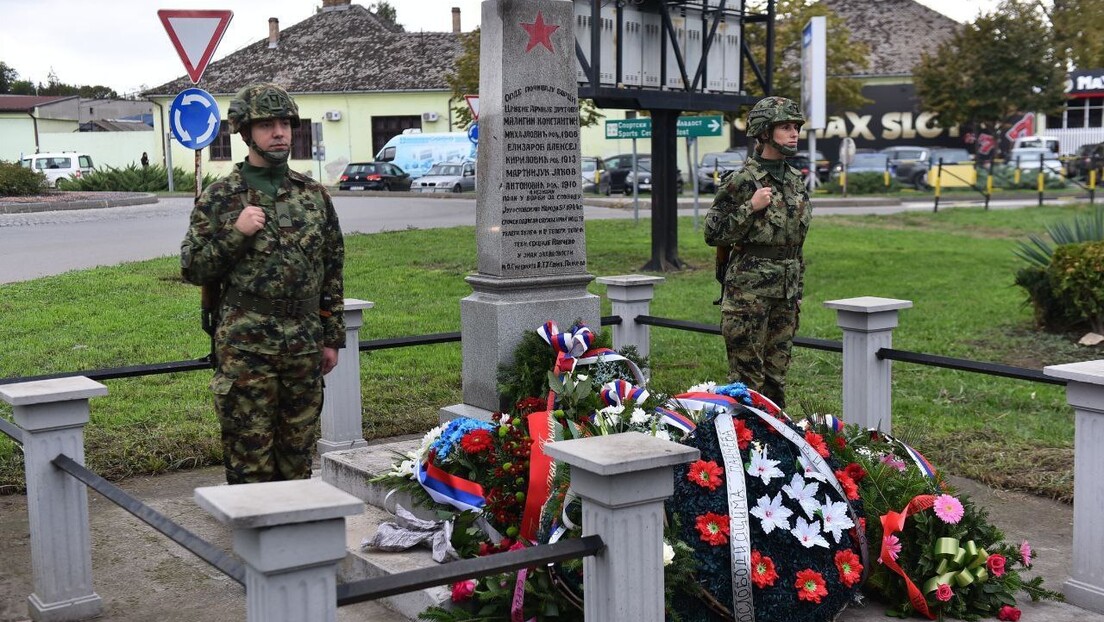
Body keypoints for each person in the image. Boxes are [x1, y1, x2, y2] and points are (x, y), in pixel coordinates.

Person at [180, 82, 345, 484]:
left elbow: (333, 267)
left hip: (303, 344)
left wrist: (331, 337)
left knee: (298, 457)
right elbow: (192, 268)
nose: (279, 132)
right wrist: (236, 232)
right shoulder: (221, 197)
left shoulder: (313, 195)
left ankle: (296, 541)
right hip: (246, 347)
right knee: (248, 459)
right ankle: (253, 542)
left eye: (285, 123)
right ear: (245, 132)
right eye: (267, 124)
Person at [703, 96, 811, 408]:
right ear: (764, 132)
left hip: (785, 294)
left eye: (796, 127)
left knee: (777, 380)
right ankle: (744, 446)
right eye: (785, 127)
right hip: (748, 295)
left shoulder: (794, 180)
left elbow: (795, 245)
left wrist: (797, 290)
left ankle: (774, 446)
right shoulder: (743, 180)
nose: (794, 133)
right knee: (747, 381)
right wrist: (750, 207)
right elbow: (713, 232)